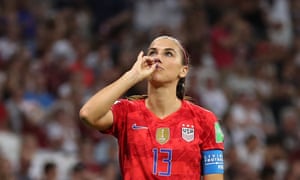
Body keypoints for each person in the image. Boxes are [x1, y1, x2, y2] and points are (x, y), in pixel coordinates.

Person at [79, 35, 224, 179]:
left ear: (183, 70)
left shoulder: (205, 120)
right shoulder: (127, 111)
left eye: (168, 53)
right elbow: (88, 114)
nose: (157, 58)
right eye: (153, 52)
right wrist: (132, 76)